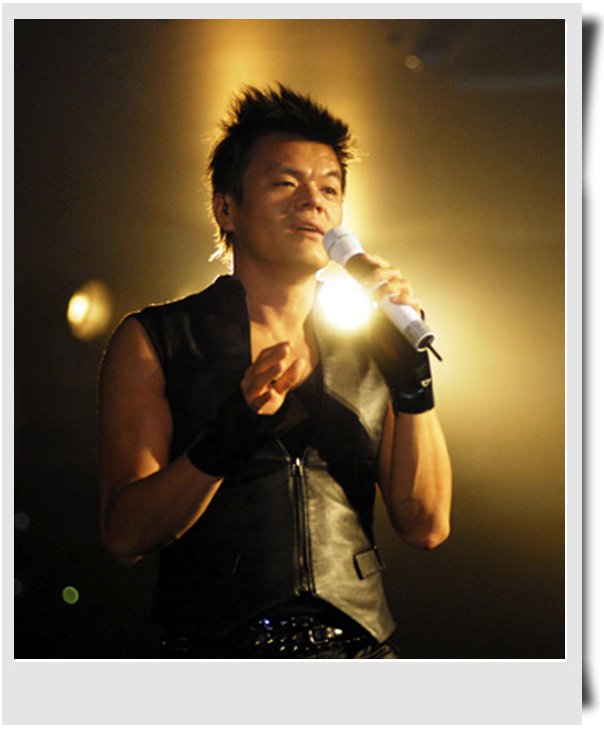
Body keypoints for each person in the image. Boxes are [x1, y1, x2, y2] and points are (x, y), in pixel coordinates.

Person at [98, 84, 452, 659]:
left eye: (329, 188)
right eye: (284, 183)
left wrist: (414, 386)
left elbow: (426, 524)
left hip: (360, 655)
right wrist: (227, 435)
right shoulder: (158, 339)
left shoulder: (376, 342)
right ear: (226, 208)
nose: (312, 201)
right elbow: (125, 536)